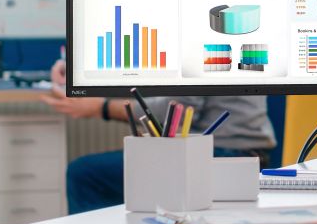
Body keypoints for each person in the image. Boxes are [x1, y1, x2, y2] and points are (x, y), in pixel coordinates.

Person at [42, 59, 277, 213]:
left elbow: (180, 110)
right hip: (237, 150)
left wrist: (101, 107)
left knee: (84, 173)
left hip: (224, 155)